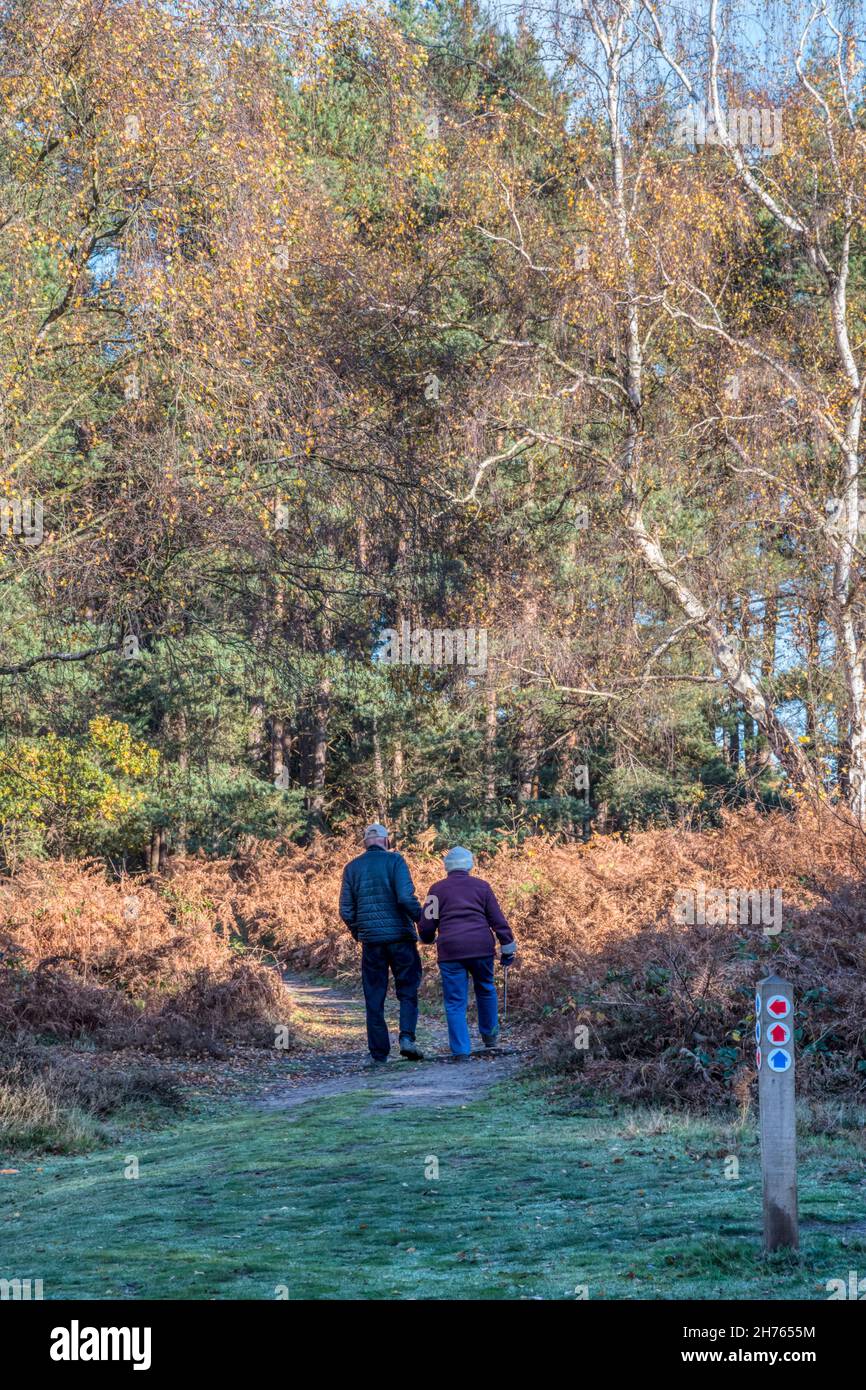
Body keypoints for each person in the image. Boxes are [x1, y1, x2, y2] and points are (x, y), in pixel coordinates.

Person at [418, 846, 515, 1059]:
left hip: (451, 950)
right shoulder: (482, 887)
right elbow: (497, 920)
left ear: (447, 867)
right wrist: (507, 948)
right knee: (486, 989)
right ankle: (490, 1038)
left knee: (454, 1001)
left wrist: (426, 939)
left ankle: (461, 1050)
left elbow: (426, 925)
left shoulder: (436, 889)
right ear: (469, 865)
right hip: (481, 948)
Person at [339, 823, 424, 1065]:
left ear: (365, 843)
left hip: (372, 943)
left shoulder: (352, 868)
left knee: (374, 996)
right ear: (386, 841)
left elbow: (346, 910)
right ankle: (407, 1038)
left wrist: (361, 932)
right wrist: (422, 920)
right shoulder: (396, 861)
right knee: (407, 990)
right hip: (401, 939)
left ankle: (378, 1053)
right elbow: (406, 898)